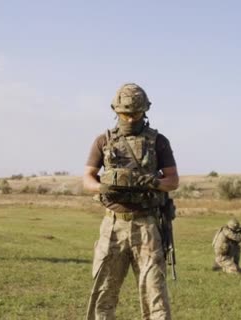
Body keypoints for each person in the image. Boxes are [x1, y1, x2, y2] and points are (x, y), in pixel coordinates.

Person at [83, 83, 179, 320]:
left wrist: (149, 182)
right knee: (103, 292)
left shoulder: (158, 142)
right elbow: (87, 178)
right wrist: (102, 187)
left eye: (135, 113)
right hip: (112, 226)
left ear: (145, 111)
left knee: (154, 293)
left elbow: (173, 180)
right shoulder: (102, 141)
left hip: (146, 225)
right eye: (125, 113)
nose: (130, 118)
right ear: (115, 111)